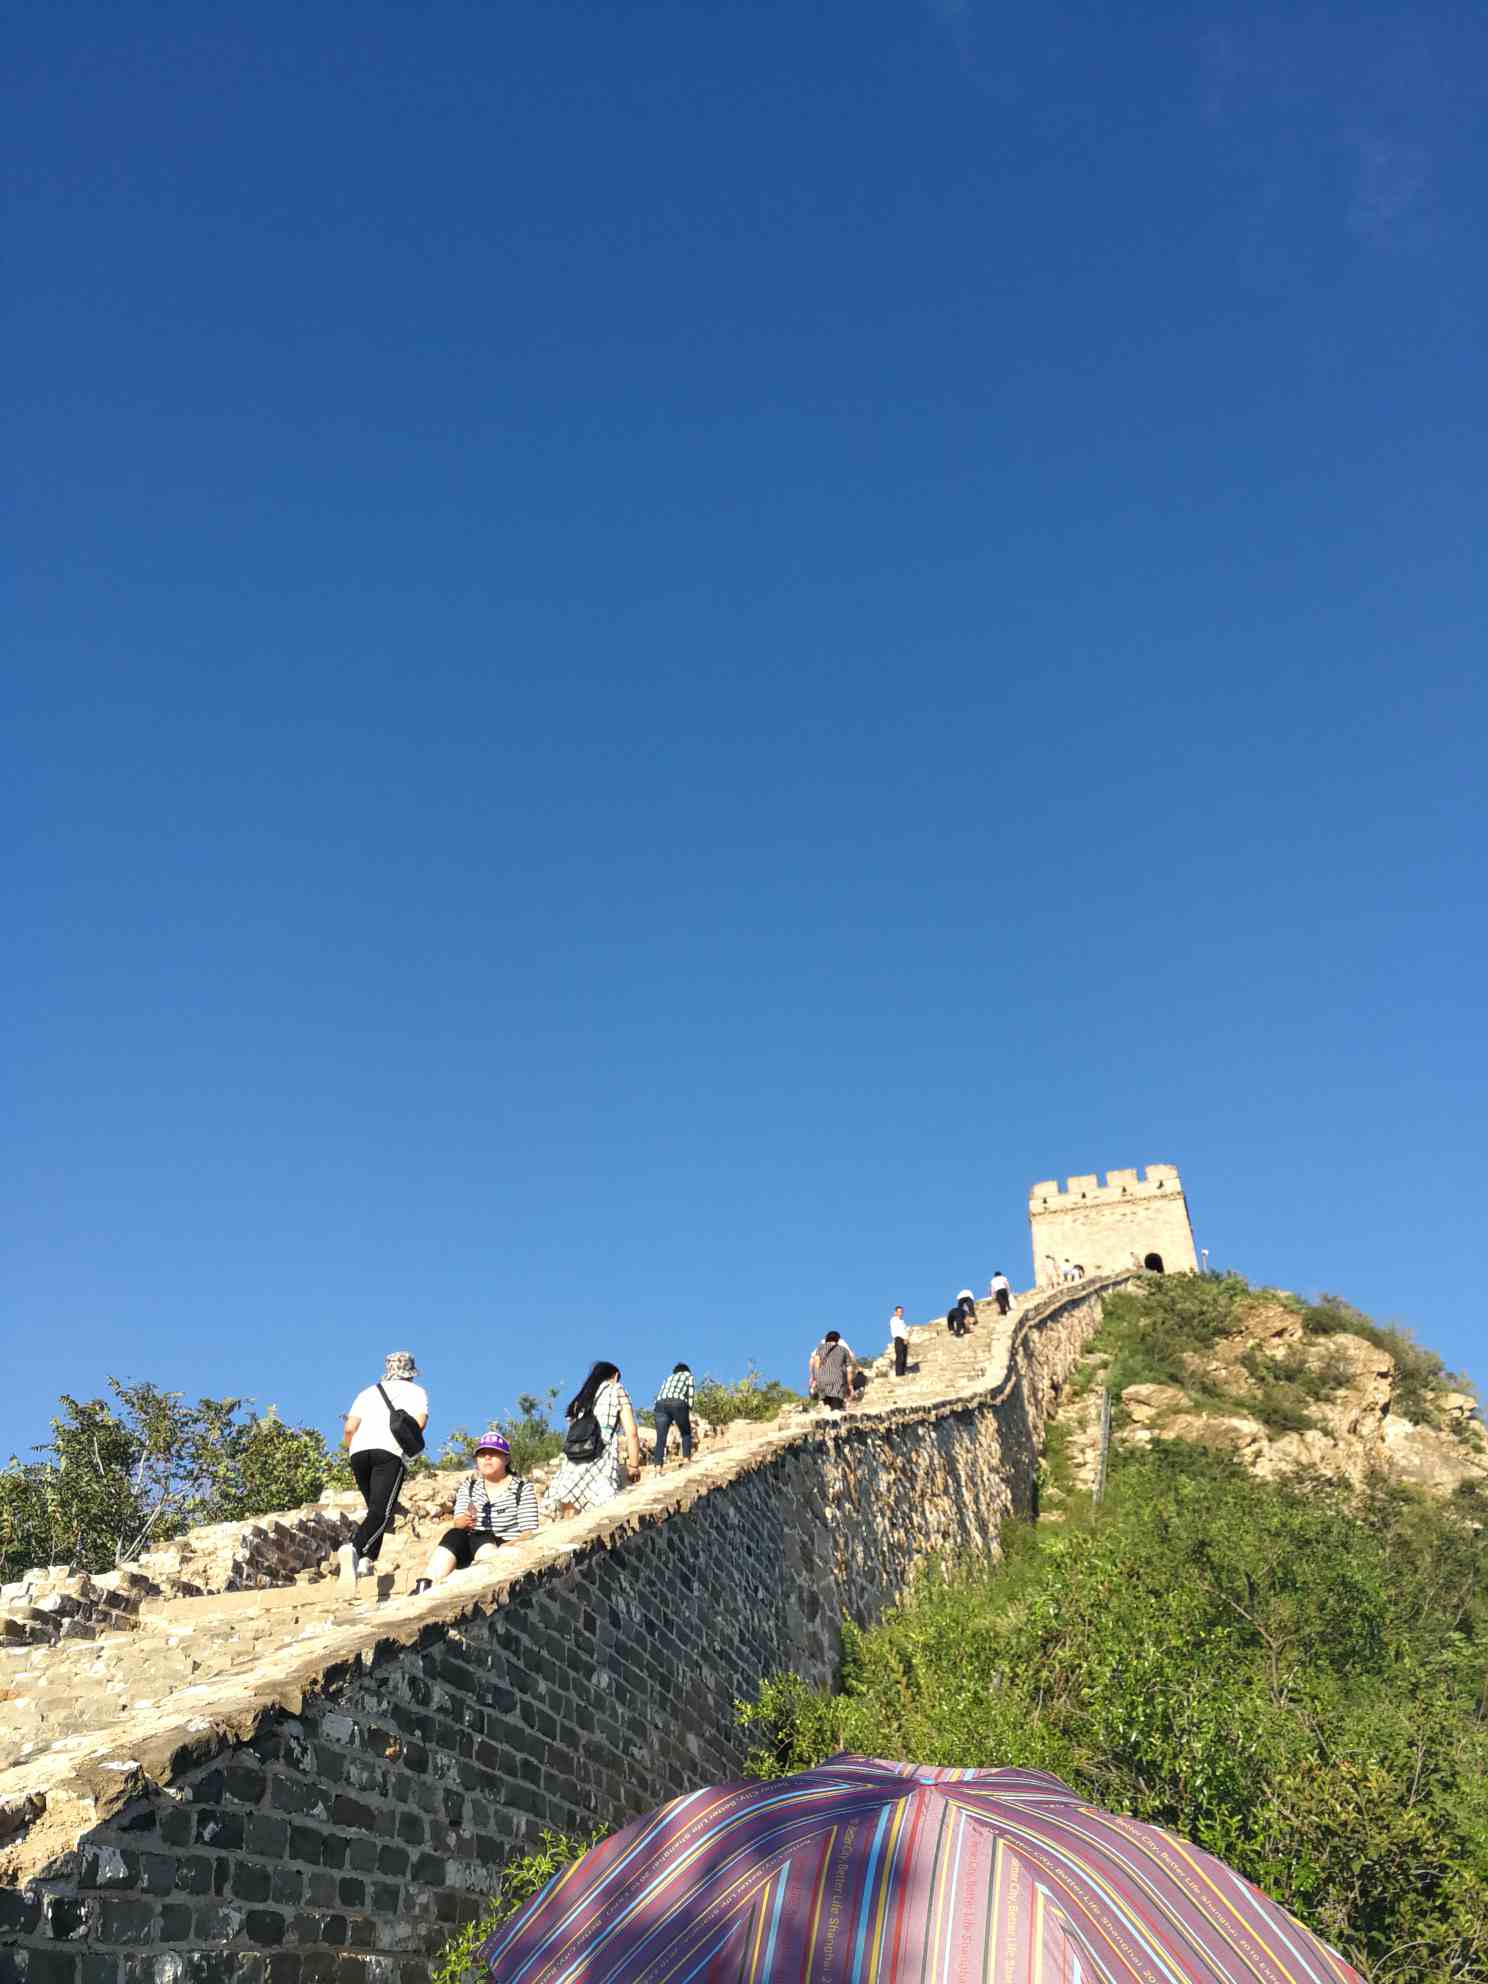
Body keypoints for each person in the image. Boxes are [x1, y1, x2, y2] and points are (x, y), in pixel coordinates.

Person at [337, 1351, 429, 1594]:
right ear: (410, 1373)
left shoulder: (367, 1392)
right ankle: (354, 1550)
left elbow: (349, 1428)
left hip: (358, 1454)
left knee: (375, 1510)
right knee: (381, 1511)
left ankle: (366, 1562)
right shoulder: (416, 1392)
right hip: (389, 1452)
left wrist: (351, 1451)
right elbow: (419, 1424)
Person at [412, 1428, 538, 1592]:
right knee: (455, 1534)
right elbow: (458, 1523)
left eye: (493, 1453)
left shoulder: (522, 1488)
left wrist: (505, 1548)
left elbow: (529, 1532)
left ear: (506, 1459)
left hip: (504, 1548)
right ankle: (426, 1583)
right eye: (482, 1454)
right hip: (472, 1546)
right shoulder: (470, 1487)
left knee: (482, 1539)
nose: (487, 1457)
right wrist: (464, 1520)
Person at [543, 1361, 641, 1518]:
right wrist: (634, 1466)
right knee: (602, 1509)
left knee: (570, 1509)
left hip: (574, 1458)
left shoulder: (582, 1398)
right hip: (601, 1454)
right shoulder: (616, 1390)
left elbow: (572, 1429)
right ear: (615, 1376)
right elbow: (632, 1432)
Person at [652, 1362, 695, 1469]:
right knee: (685, 1432)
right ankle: (686, 1460)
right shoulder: (688, 1375)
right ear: (686, 1370)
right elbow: (690, 1393)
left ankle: (658, 1468)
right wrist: (689, 1408)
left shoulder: (668, 1378)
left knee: (661, 1437)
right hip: (678, 1402)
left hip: (660, 1405)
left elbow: (661, 1393)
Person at [810, 1330, 854, 1412]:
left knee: (826, 1406)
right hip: (838, 1381)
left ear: (826, 1339)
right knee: (836, 1409)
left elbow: (816, 1365)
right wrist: (850, 1385)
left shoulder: (820, 1348)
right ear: (838, 1339)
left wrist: (814, 1379)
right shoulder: (844, 1350)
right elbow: (849, 1370)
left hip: (822, 1381)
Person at [888, 1305, 909, 1378]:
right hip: (899, 1339)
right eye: (899, 1312)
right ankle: (899, 1374)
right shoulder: (893, 1320)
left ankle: (902, 1373)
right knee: (900, 1356)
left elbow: (904, 1330)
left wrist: (906, 1338)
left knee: (904, 1356)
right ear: (895, 1312)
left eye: (901, 1312)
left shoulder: (902, 1321)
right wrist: (904, 1338)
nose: (900, 1313)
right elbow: (898, 1331)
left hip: (904, 1340)